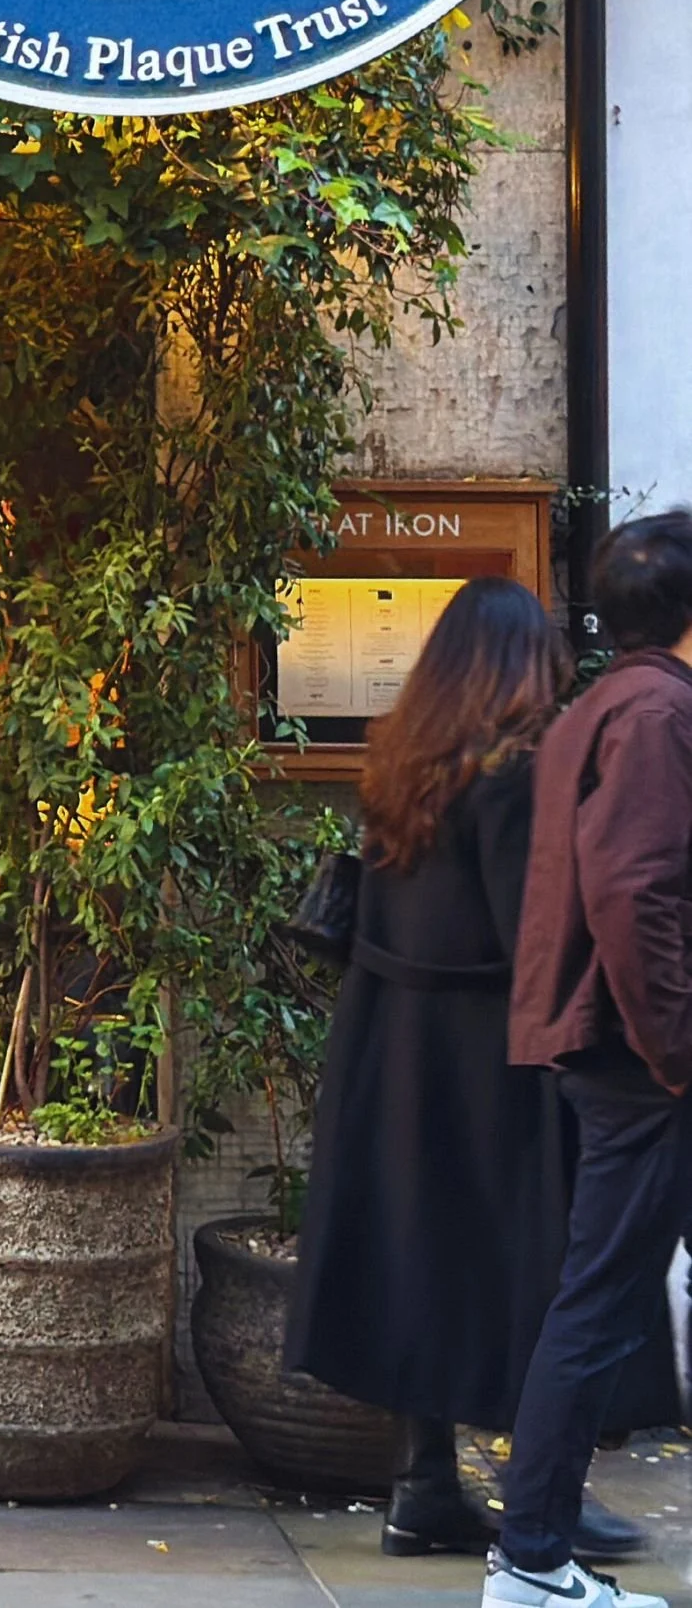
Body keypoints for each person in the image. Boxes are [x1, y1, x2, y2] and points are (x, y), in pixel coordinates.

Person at [287, 579, 641, 1566]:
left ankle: (423, 1487)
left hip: (387, 1041)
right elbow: (530, 929)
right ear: (516, 664)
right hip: (484, 1053)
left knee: (418, 1257)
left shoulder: (402, 761)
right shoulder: (513, 777)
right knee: (529, 1265)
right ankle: (545, 1489)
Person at [487, 515, 692, 1608]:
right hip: (641, 1059)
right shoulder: (659, 710)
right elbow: (632, 887)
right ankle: (528, 1561)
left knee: (601, 1294)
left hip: (618, 1050)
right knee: (600, 1299)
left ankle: (530, 1556)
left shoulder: (599, 706)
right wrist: (675, 1045)